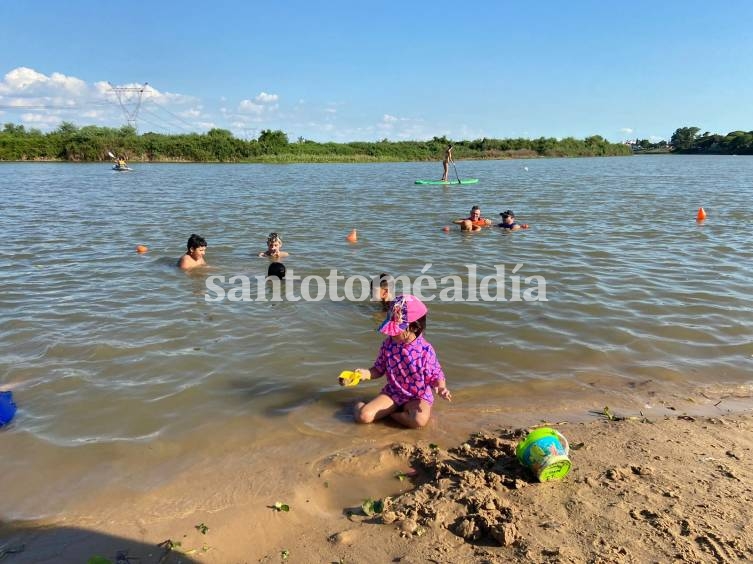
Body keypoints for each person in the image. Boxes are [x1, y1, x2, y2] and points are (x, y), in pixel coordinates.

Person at [341, 294, 452, 429]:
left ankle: (391, 414)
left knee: (419, 421)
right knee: (363, 417)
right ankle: (359, 403)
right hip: (394, 393)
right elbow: (378, 369)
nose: (391, 334)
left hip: (418, 396)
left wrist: (441, 388)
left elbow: (436, 375)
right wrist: (363, 374)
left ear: (414, 327)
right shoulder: (388, 345)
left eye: (396, 330)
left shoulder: (425, 350)